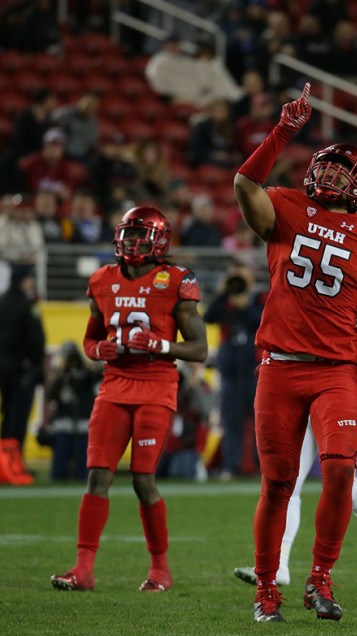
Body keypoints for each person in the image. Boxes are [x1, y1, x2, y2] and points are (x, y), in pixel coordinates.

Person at [233, 82, 357, 622]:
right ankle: (266, 590)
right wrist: (284, 131)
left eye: (341, 173)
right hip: (279, 368)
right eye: (324, 169)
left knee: (338, 472)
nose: (329, 178)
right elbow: (244, 181)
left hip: (335, 372)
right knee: (279, 483)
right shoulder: (284, 207)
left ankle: (319, 578)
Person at [51, 205, 208, 592]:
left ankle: (160, 570)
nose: (134, 243)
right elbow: (91, 338)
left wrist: (161, 344)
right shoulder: (102, 280)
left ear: (159, 241)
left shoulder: (175, 280)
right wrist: (95, 350)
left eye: (142, 236)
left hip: (156, 385)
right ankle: (83, 570)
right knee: (97, 475)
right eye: (129, 235)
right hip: (114, 385)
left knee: (142, 479)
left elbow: (200, 349)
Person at [233, 307, 357, 589]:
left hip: (332, 380)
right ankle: (279, 565)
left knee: (345, 480)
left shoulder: (346, 285)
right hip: (292, 378)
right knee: (286, 483)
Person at [204, 263, 263, 480]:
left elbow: (261, 320)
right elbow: (209, 317)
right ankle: (230, 466)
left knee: (260, 422)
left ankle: (262, 467)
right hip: (229, 371)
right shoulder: (224, 302)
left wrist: (244, 306)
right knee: (231, 422)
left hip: (254, 371)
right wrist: (223, 295)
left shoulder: (259, 299)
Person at [0, 263, 46, 485]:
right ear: (22, 281)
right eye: (28, 279)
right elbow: (35, 339)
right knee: (18, 417)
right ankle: (14, 464)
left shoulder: (2, 302)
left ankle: (5, 463)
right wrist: (35, 364)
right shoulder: (27, 305)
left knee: (7, 414)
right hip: (22, 369)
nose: (31, 283)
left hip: (4, 368)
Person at [39, 341, 102, 482]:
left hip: (83, 426)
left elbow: (99, 374)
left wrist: (86, 367)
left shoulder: (86, 375)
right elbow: (50, 394)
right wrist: (59, 374)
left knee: (84, 473)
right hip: (63, 426)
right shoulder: (61, 377)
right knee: (59, 472)